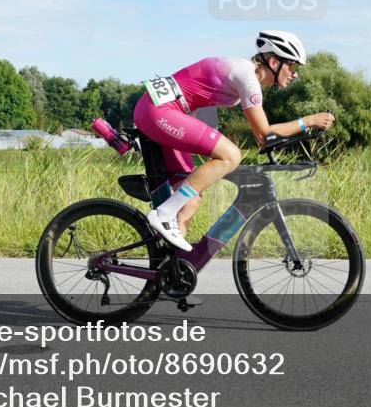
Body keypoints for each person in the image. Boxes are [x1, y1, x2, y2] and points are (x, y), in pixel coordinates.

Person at [132, 30, 335, 251]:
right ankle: (163, 214)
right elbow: (264, 134)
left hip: (162, 110)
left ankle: (170, 269)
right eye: (293, 67)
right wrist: (308, 121)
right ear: (274, 62)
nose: (295, 74)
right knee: (231, 155)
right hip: (159, 111)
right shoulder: (246, 78)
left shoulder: (242, 73)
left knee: (190, 199)